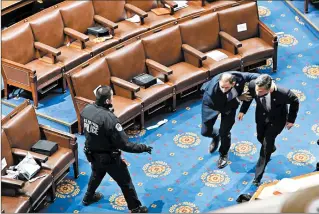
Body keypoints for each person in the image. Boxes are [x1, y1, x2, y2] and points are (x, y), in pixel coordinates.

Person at [80, 85, 153, 213]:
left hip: (92, 153)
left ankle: (88, 198)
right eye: (111, 97)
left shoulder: (86, 109)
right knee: (125, 182)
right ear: (107, 101)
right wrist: (143, 147)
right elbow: (125, 145)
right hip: (109, 158)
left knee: (96, 174)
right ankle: (135, 208)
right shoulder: (110, 119)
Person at [238, 74, 299, 185]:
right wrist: (243, 110)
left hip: (277, 121)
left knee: (265, 147)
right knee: (260, 137)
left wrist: (291, 120)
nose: (257, 93)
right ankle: (271, 147)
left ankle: (258, 176)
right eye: (257, 90)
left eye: (260, 92)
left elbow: (295, 101)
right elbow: (249, 97)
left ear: (269, 89)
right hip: (261, 117)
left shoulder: (283, 93)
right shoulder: (253, 85)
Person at [201, 71, 260, 169]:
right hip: (212, 106)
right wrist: (239, 98)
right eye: (222, 87)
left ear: (233, 83)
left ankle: (223, 153)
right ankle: (216, 135)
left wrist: (266, 80)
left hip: (230, 107)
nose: (224, 90)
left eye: (227, 87)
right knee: (205, 132)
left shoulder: (238, 77)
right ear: (219, 81)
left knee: (225, 132)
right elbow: (223, 107)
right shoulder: (213, 91)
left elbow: (251, 75)